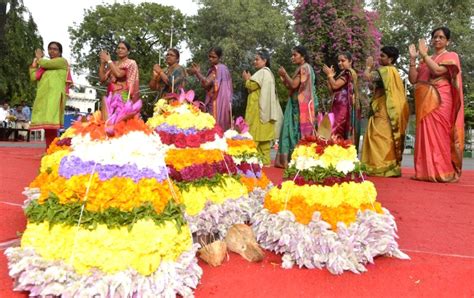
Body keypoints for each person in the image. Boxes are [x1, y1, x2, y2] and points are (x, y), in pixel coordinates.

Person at [408, 27, 464, 182]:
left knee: (439, 134)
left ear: (448, 41)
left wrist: (424, 55)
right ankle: (424, 172)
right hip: (426, 100)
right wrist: (413, 60)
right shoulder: (426, 60)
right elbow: (413, 79)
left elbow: (439, 71)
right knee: (424, 134)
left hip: (442, 98)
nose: (437, 39)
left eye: (441, 37)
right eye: (435, 37)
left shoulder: (451, 55)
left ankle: (443, 171)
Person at [361, 46, 409, 177]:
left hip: (384, 110)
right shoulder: (393, 72)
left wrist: (368, 66)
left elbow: (367, 77)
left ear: (391, 59)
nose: (379, 58)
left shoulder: (386, 71)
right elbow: (373, 86)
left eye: (382, 56)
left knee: (378, 137)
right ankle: (388, 168)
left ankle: (380, 167)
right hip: (388, 109)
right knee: (385, 138)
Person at [274, 45, 318, 168]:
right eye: (292, 55)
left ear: (302, 56)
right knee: (291, 129)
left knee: (293, 130)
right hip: (296, 104)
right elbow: (292, 86)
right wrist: (283, 78)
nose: (292, 57)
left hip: (300, 106)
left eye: (295, 55)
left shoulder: (304, 68)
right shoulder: (302, 68)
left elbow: (293, 85)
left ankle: (292, 159)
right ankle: (288, 159)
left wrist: (285, 73)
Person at [242, 49, 283, 166]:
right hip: (267, 112)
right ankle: (265, 162)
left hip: (258, 112)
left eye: (257, 59)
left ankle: (250, 163)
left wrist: (247, 79)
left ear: (265, 60)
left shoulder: (262, 73)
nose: (255, 62)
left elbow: (251, 85)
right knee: (264, 141)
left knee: (253, 138)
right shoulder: (269, 73)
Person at [29, 41, 72, 149]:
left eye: (55, 49)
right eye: (50, 49)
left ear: (60, 52)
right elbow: (34, 77)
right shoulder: (44, 68)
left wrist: (39, 58)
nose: (52, 51)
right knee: (47, 127)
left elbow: (45, 63)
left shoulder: (62, 62)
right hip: (44, 98)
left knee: (51, 125)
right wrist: (34, 64)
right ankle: (50, 149)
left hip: (55, 97)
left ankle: (52, 149)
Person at [322, 52, 361, 148]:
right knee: (332, 132)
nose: (340, 63)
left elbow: (335, 85)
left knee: (336, 132)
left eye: (343, 60)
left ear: (350, 61)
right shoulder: (342, 74)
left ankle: (337, 157)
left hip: (343, 108)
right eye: (339, 61)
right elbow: (332, 91)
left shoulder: (348, 73)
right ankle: (333, 157)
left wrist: (330, 76)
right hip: (336, 107)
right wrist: (329, 77)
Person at [190, 47, 233, 131]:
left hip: (216, 101)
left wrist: (197, 73)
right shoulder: (223, 69)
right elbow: (206, 86)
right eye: (209, 56)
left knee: (213, 125)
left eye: (213, 57)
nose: (210, 59)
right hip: (223, 102)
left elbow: (206, 83)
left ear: (219, 58)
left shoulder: (218, 69)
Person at [99, 40, 140, 107]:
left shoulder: (131, 63)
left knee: (121, 115)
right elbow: (102, 79)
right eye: (118, 48)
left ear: (128, 52)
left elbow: (119, 74)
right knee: (109, 116)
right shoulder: (113, 63)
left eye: (123, 48)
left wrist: (109, 60)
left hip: (124, 95)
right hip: (111, 94)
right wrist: (103, 63)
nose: (120, 50)